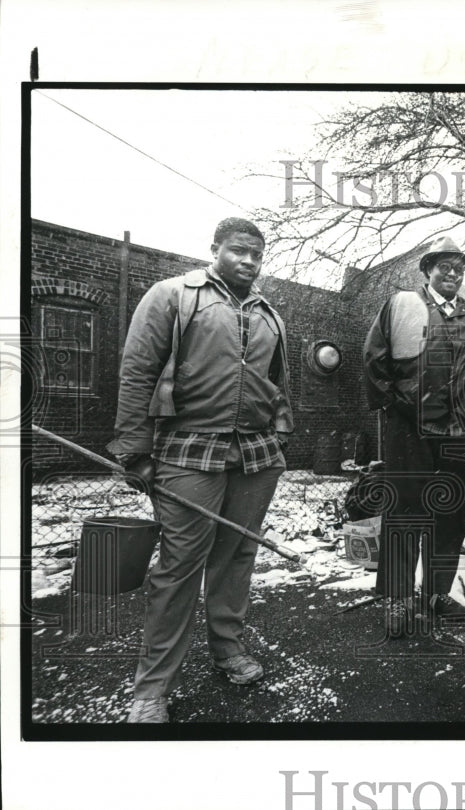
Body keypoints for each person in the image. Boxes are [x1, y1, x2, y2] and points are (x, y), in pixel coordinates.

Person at [107, 217, 294, 723]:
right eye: (238, 251)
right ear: (214, 249)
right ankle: (151, 689)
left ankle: (228, 648)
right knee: (180, 565)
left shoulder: (269, 313)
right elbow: (138, 369)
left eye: (257, 254)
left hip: (255, 455)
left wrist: (280, 433)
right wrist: (134, 450)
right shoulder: (173, 295)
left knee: (237, 556)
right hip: (187, 449)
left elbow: (278, 383)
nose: (249, 262)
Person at [363, 235, 465, 638]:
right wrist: (394, 406)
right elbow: (374, 357)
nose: (452, 273)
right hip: (409, 428)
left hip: (454, 431)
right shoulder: (402, 304)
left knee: (450, 515)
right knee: (405, 511)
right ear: (427, 270)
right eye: (444, 266)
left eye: (459, 268)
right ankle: (397, 598)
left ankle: (435, 593)